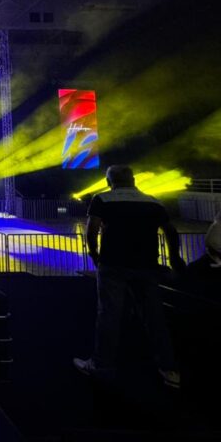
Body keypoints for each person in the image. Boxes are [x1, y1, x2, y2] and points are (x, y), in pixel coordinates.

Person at [73, 165, 186, 388]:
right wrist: (174, 259)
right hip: (146, 266)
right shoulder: (153, 201)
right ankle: (169, 369)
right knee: (155, 317)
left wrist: (95, 255)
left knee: (108, 315)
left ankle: (101, 366)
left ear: (108, 182)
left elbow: (92, 229)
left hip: (113, 265)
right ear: (134, 180)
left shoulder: (102, 199)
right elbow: (170, 230)